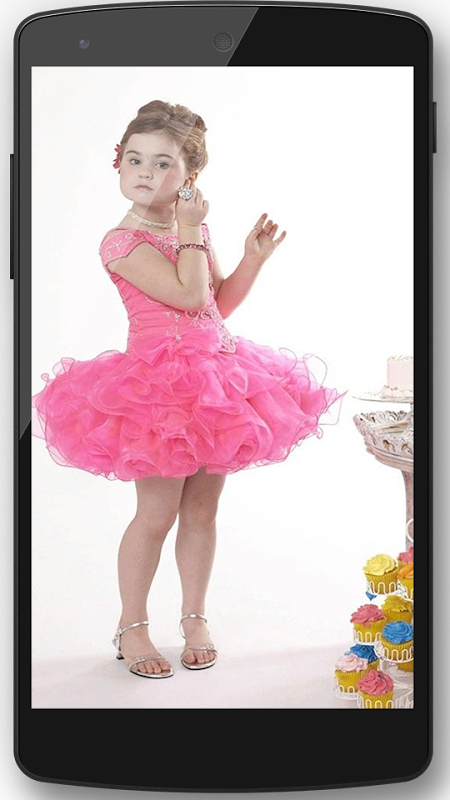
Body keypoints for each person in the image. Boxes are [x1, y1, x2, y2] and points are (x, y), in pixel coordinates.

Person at [31, 100, 348, 679]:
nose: (145, 172)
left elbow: (214, 304)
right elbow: (184, 296)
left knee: (202, 510)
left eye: (162, 162)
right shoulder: (120, 242)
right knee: (156, 515)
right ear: (118, 163)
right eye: (134, 159)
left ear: (190, 175)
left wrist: (251, 260)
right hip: (156, 389)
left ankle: (194, 616)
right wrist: (188, 230)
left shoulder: (191, 227)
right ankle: (132, 625)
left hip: (215, 381)